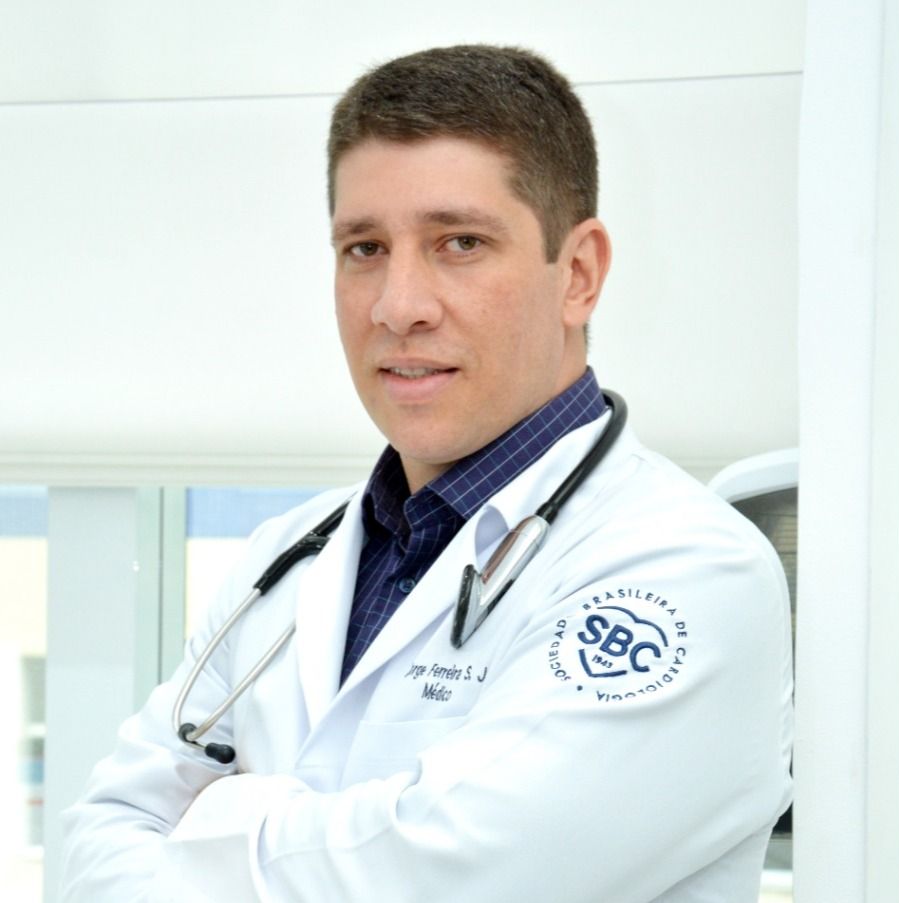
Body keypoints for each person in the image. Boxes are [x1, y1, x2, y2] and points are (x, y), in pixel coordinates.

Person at [60, 45, 793, 902]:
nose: (397, 304)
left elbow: (457, 875)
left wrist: (217, 818)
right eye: (364, 247)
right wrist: (343, 837)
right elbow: (94, 844)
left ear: (578, 275)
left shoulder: (685, 572)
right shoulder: (284, 561)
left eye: (459, 243)